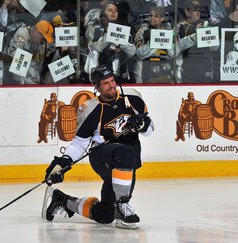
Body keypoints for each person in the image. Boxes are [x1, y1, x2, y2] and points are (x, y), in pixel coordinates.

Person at [42, 64, 154, 230]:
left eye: (112, 81)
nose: (112, 86)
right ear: (97, 87)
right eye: (106, 83)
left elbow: (150, 130)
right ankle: (123, 204)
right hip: (102, 158)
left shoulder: (133, 98)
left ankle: (63, 200)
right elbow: (80, 144)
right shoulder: (90, 109)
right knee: (126, 151)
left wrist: (142, 124)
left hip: (126, 164)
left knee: (105, 215)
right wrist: (62, 162)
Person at [85, 1, 136, 83]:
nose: (113, 12)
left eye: (116, 10)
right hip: (100, 75)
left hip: (120, 74)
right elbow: (96, 47)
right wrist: (109, 33)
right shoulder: (94, 29)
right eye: (110, 10)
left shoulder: (122, 29)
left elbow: (132, 52)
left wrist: (121, 43)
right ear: (103, 13)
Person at [134, 6, 174, 83]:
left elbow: (174, 54)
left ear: (162, 19)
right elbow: (138, 53)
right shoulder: (143, 31)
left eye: (156, 16)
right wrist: (154, 41)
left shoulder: (169, 32)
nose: (152, 18)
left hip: (166, 69)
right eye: (150, 15)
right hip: (145, 69)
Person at [7, 20, 53, 84]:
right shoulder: (22, 33)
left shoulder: (40, 42)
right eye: (43, 39)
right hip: (15, 76)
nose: (43, 41)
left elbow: (39, 63)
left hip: (33, 74)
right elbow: (16, 62)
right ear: (37, 32)